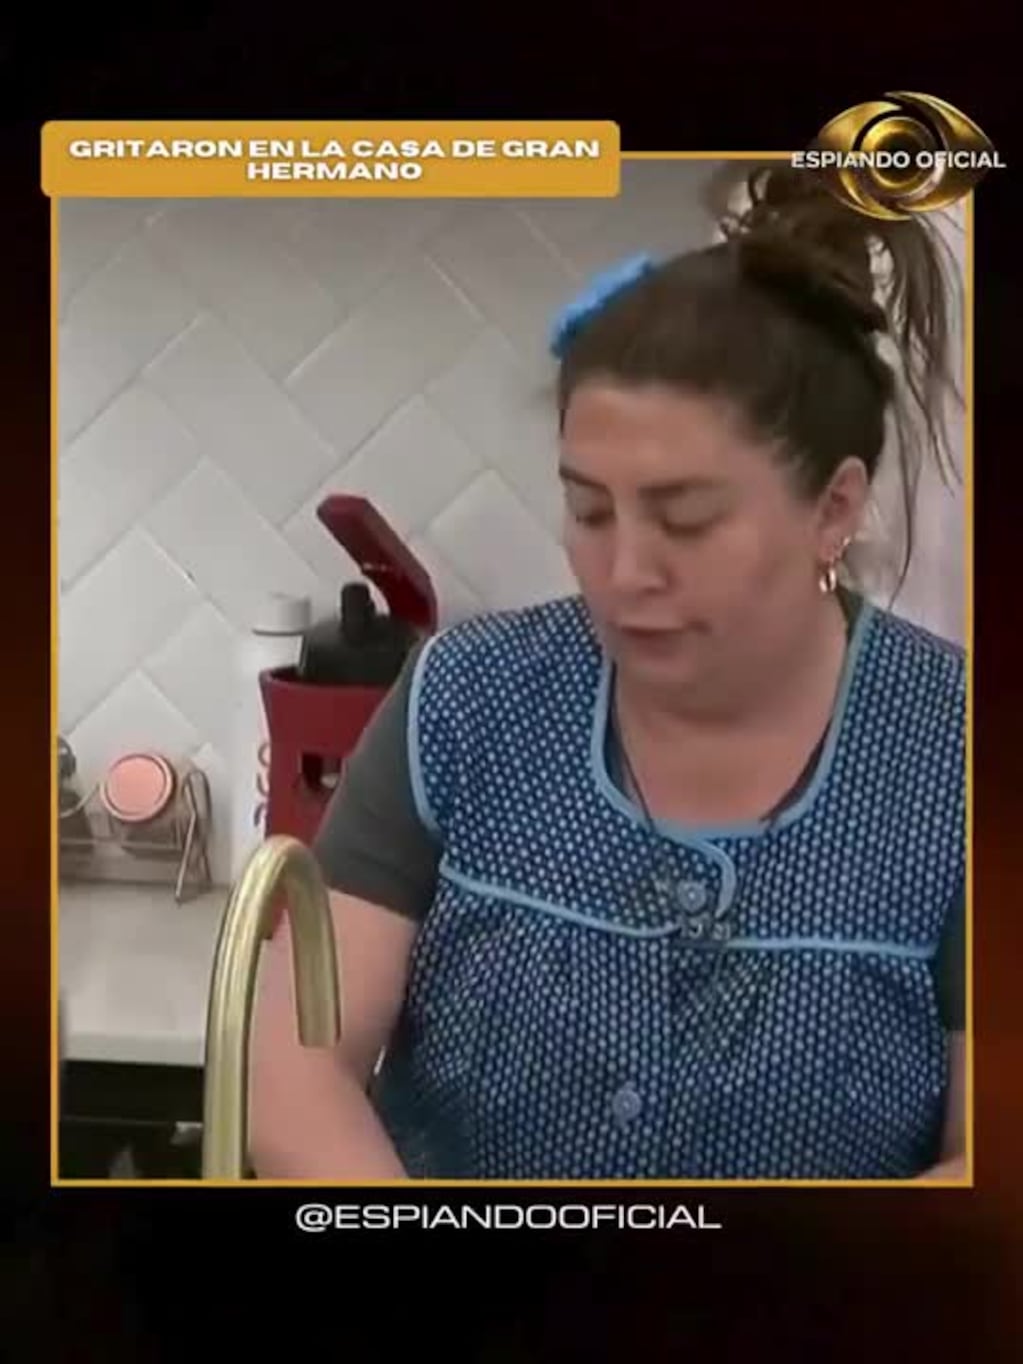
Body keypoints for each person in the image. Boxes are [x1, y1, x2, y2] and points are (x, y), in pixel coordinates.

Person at [249, 165, 966, 1182]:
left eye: (687, 519)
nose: (625, 570)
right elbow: (292, 1069)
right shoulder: (464, 702)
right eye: (590, 511)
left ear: (834, 509)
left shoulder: (958, 753)